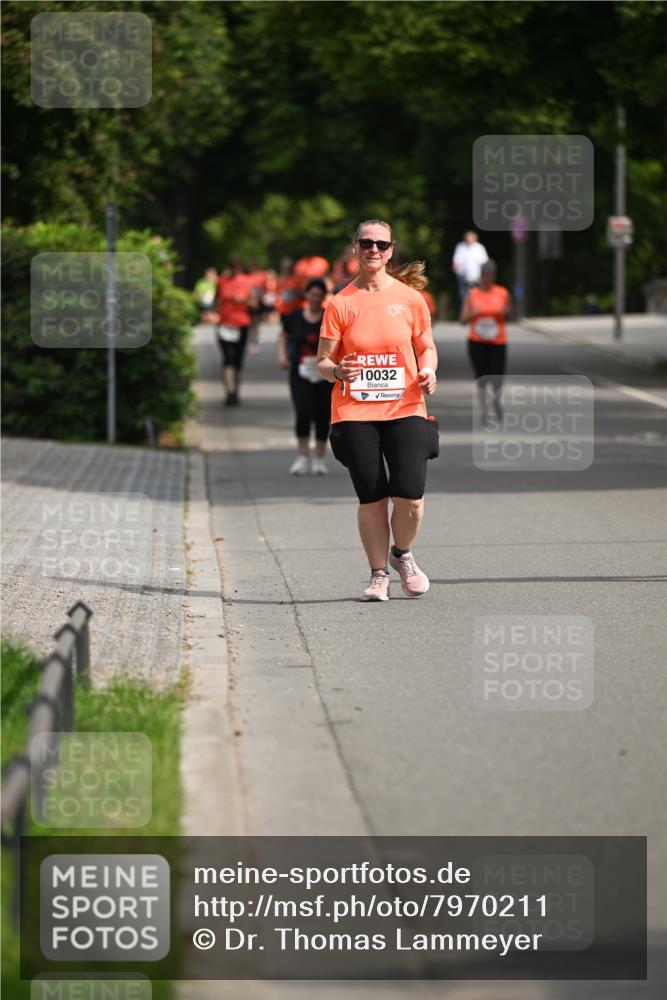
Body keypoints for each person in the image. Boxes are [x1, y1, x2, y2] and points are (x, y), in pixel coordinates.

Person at [317, 219, 439, 602]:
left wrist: (429, 369)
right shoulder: (340, 303)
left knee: (411, 497)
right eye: (366, 243)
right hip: (354, 411)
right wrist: (337, 370)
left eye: (381, 245)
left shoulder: (410, 299)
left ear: (391, 250)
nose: (373, 250)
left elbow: (427, 347)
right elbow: (321, 361)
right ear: (355, 248)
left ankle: (401, 554)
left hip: (405, 405)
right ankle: (378, 575)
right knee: (372, 498)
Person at [278, 278, 332, 476]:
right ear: (306, 295)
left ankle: (318, 458)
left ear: (323, 297)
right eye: (312, 294)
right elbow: (283, 336)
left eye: (319, 295)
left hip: (324, 373)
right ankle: (302, 456)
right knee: (303, 412)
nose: (315, 299)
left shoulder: (328, 317)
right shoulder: (294, 317)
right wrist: (282, 356)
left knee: (322, 415)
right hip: (300, 372)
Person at [460, 259, 511, 426]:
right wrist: (472, 314)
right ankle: (484, 410)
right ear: (481, 276)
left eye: (490, 275)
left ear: (494, 276)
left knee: (497, 377)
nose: (487, 278)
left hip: (498, 341)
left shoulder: (502, 293)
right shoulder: (472, 294)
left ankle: (496, 400)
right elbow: (463, 319)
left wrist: (506, 312)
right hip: (477, 341)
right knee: (482, 378)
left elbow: (511, 315)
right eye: (484, 275)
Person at [216, 256, 252, 406]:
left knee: (237, 360)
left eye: (236, 267)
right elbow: (216, 299)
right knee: (228, 358)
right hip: (224, 324)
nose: (233, 270)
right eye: (231, 267)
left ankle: (236, 390)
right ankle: (229, 392)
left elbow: (253, 302)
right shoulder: (222, 281)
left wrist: (243, 300)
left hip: (241, 323)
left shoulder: (245, 281)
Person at [452, 230, 488, 305]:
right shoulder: (460, 247)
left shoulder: (479, 248)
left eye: (470, 238)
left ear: (475, 238)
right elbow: (456, 261)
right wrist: (455, 267)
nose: (469, 239)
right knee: (463, 296)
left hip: (477, 277)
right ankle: (465, 312)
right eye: (467, 238)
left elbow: (484, 262)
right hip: (463, 277)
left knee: (478, 295)